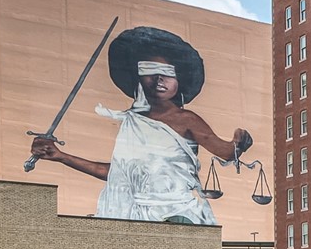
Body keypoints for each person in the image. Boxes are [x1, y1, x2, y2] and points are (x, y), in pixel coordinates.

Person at [27, 27, 252, 225]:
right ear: (139, 78)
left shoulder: (187, 119)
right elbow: (117, 173)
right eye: (149, 71)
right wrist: (61, 156)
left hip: (178, 215)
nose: (159, 80)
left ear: (178, 80)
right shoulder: (131, 122)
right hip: (135, 217)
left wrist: (238, 142)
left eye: (167, 74)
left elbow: (225, 151)